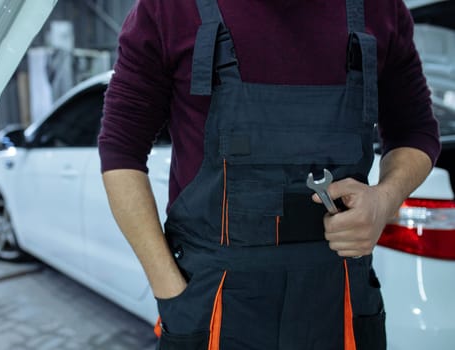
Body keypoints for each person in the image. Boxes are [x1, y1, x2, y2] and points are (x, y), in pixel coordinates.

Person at [98, 0, 440, 349]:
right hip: (211, 309)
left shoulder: (379, 8)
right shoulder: (169, 8)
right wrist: (170, 292)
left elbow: (416, 132)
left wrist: (384, 200)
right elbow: (120, 152)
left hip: (340, 307)